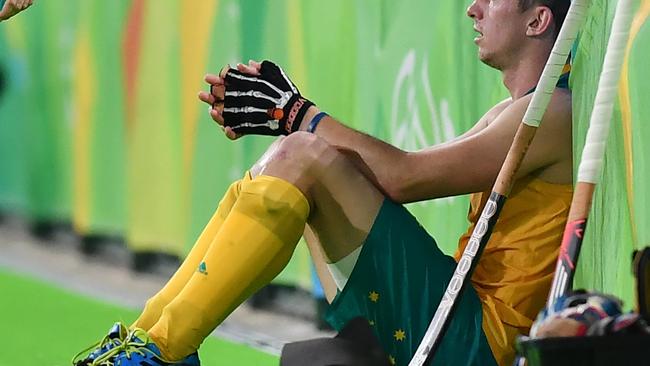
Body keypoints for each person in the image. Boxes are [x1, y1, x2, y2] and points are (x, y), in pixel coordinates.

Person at [72, 0, 573, 365]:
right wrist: (295, 121)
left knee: (301, 156)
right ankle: (147, 338)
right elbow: (389, 171)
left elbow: (404, 177)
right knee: (294, 159)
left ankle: (161, 350)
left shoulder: (552, 112)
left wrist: (298, 115)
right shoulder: (515, 111)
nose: (473, 8)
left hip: (478, 344)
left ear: (537, 20)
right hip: (460, 318)